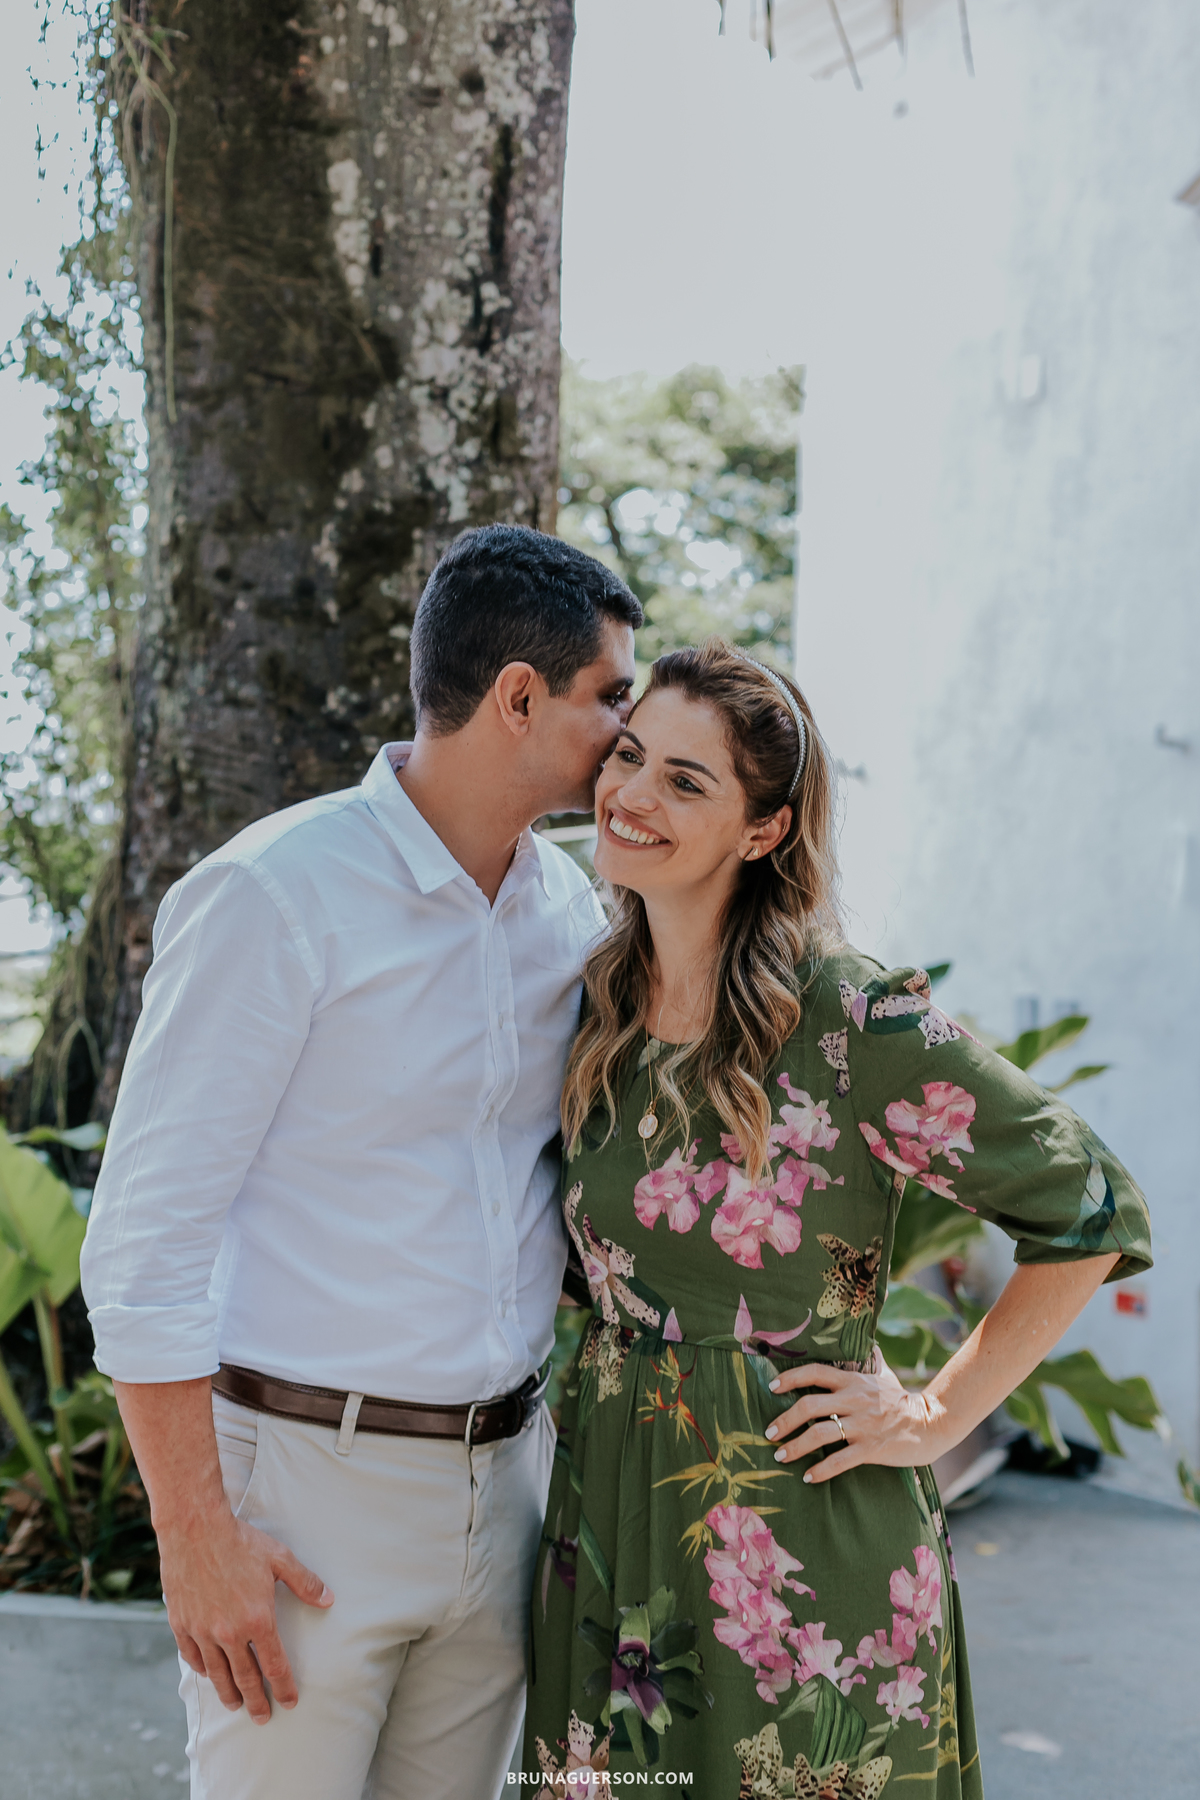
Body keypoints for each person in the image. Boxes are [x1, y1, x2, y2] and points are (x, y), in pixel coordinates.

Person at [522, 638, 1151, 1796]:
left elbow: (1090, 1204)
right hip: (612, 1521)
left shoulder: (849, 1016)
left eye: (686, 780)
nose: (631, 794)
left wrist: (929, 1414)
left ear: (763, 831)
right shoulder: (591, 1001)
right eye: (629, 757)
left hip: (804, 1560)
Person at [79, 524, 642, 1800]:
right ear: (517, 698)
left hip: (507, 1489)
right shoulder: (275, 896)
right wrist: (196, 1540)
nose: (631, 727)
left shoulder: (576, 913)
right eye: (612, 696)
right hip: (302, 1497)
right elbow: (142, 1248)